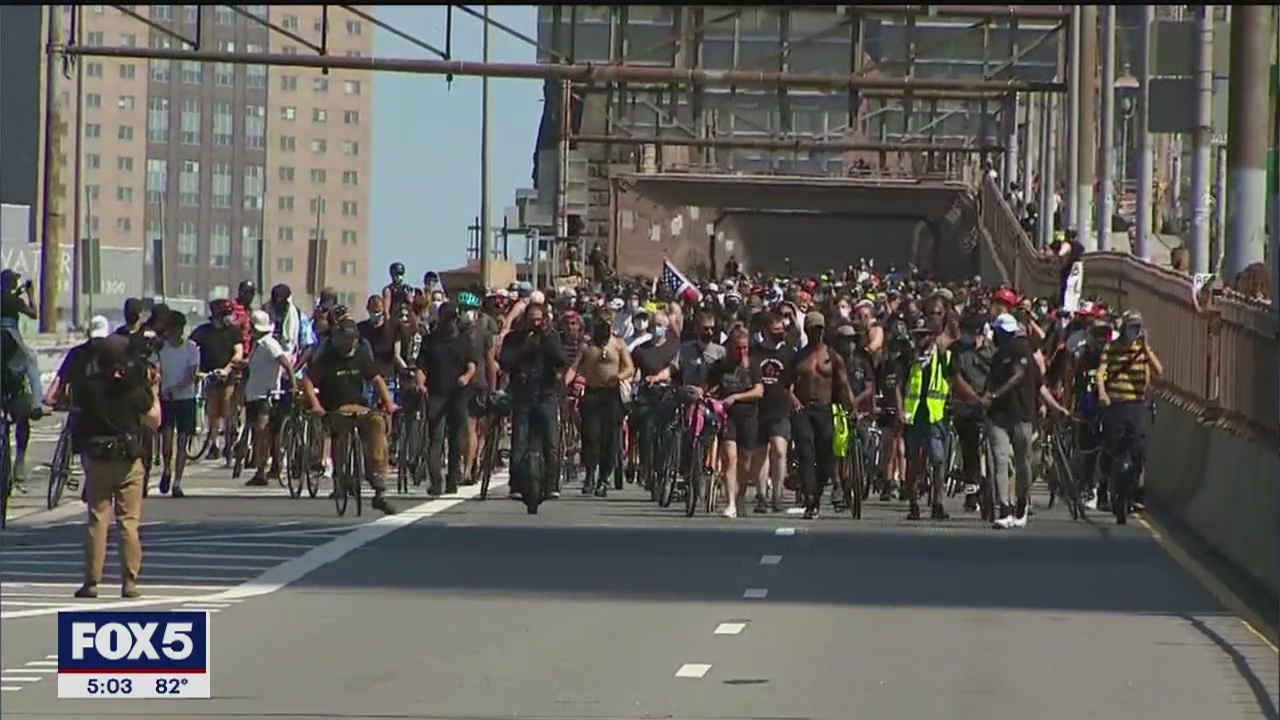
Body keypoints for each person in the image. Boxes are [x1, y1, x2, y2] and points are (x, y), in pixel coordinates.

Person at [72, 334, 161, 599]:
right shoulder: (133, 387)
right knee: (128, 522)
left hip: (97, 457)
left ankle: (91, 581)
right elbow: (154, 420)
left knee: (97, 520)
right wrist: (153, 392)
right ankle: (129, 581)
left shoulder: (87, 387)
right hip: (127, 459)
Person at [298, 318, 397, 514]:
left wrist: (388, 402)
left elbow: (376, 379)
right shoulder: (326, 358)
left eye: (351, 339)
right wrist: (316, 405)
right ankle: (342, 477)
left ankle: (377, 477)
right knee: (341, 434)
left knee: (377, 423)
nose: (348, 342)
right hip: (335, 408)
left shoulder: (361, 355)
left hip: (360, 407)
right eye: (343, 338)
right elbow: (308, 382)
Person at [499, 301, 568, 511]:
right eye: (532, 319)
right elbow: (505, 361)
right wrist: (526, 346)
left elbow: (560, 359)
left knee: (551, 443)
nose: (535, 324)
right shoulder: (514, 338)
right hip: (522, 395)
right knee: (519, 441)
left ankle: (551, 483)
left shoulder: (551, 336)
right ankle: (516, 484)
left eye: (539, 320)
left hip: (545, 394)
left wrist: (546, 340)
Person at [1097, 310, 1162, 513]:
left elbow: (1158, 372)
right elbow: (1101, 373)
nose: (1133, 331)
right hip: (1115, 404)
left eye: (1137, 328)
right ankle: (1103, 488)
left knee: (1138, 449)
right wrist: (1102, 393)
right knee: (1109, 446)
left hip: (1136, 404)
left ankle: (1136, 491)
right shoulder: (1112, 348)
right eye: (1130, 327)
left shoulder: (1142, 351)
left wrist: (1145, 349)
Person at [792, 312, 855, 519]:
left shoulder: (833, 356)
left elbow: (843, 384)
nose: (815, 334)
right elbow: (784, 385)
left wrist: (850, 408)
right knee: (806, 451)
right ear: (806, 330)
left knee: (826, 454)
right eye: (812, 330)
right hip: (803, 410)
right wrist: (793, 401)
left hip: (826, 409)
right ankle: (810, 498)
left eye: (819, 329)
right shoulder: (799, 357)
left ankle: (816, 494)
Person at [982, 313, 1040, 528]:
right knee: (1000, 460)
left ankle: (1021, 502)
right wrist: (987, 398)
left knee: (1023, 462)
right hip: (998, 417)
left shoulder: (1021, 350)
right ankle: (1004, 508)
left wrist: (996, 394)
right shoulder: (997, 356)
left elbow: (1018, 376)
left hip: (1021, 414)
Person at [569, 308, 634, 497]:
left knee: (610, 440)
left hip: (611, 395)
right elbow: (574, 368)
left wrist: (618, 376)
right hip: (592, 394)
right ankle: (589, 475)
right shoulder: (586, 346)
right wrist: (563, 384)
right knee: (591, 437)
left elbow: (629, 367)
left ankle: (604, 478)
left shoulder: (619, 344)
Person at [414, 301, 477, 496]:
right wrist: (421, 383)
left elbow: (472, 364)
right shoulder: (430, 341)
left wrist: (465, 378)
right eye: (445, 318)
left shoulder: (464, 340)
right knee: (436, 439)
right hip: (436, 393)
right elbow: (421, 366)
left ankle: (452, 478)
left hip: (457, 394)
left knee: (455, 438)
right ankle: (435, 481)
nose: (448, 322)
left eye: (451, 318)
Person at [705, 325, 763, 518]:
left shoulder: (752, 366)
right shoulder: (721, 365)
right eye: (738, 348)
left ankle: (741, 496)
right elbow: (708, 385)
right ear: (730, 346)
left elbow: (759, 391)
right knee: (730, 458)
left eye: (745, 347)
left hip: (748, 415)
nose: (741, 352)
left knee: (745, 462)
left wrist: (737, 397)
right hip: (727, 415)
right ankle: (730, 502)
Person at [242, 310, 297, 487]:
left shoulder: (269, 344)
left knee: (263, 433)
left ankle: (263, 469)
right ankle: (262, 468)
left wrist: (293, 385)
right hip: (253, 394)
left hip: (266, 395)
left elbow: (285, 362)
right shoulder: (257, 345)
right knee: (259, 435)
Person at [0, 269, 45, 489]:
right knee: (31, 361)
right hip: (11, 336)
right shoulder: (15, 301)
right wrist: (30, 295)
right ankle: (37, 403)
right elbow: (34, 314)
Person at [188, 299, 245, 461]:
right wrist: (197, 371)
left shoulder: (234, 332)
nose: (229, 317)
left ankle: (229, 443)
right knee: (212, 411)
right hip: (210, 377)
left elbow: (238, 353)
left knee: (228, 410)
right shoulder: (203, 332)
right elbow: (190, 348)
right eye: (226, 314)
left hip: (229, 377)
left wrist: (227, 370)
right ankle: (213, 444)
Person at [156, 313, 200, 496]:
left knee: (182, 442)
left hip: (186, 399)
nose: (176, 332)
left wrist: (177, 388)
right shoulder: (161, 349)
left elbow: (192, 374)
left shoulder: (191, 348)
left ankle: (178, 482)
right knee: (166, 442)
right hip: (166, 399)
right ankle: (167, 469)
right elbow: (155, 370)